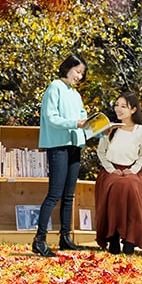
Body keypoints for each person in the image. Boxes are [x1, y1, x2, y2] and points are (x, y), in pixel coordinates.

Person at [32, 54, 89, 257]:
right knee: (54, 193)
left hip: (75, 144)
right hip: (58, 145)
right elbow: (51, 117)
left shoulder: (75, 94)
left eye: (82, 74)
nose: (79, 77)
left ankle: (65, 237)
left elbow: (83, 118)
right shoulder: (54, 87)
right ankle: (39, 239)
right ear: (68, 68)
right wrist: (75, 123)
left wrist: (96, 127)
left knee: (69, 195)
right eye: (77, 71)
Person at [94, 91, 142, 255]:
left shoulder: (141, 131)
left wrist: (131, 170)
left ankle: (130, 239)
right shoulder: (109, 129)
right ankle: (113, 236)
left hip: (132, 170)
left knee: (131, 187)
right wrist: (113, 170)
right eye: (117, 105)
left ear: (133, 110)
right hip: (110, 169)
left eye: (123, 106)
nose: (118, 109)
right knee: (116, 186)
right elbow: (101, 153)